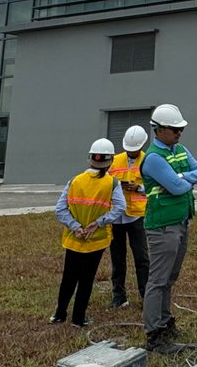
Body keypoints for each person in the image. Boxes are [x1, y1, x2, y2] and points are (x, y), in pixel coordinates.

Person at [140, 103, 197, 356]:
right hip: (163, 226)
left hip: (180, 221)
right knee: (158, 280)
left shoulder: (179, 149)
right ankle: (154, 335)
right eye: (175, 130)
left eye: (181, 129)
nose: (179, 134)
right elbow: (179, 189)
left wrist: (180, 179)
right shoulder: (154, 158)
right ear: (158, 130)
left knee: (170, 278)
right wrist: (183, 181)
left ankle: (166, 323)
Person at [51, 138, 122, 327]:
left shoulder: (75, 181)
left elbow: (60, 209)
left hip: (74, 239)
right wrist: (98, 223)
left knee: (68, 277)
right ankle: (78, 318)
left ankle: (59, 314)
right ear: (111, 161)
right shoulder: (112, 183)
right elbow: (120, 208)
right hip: (96, 241)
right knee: (86, 280)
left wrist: (75, 226)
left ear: (90, 159)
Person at [106, 126, 151, 311]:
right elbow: (104, 182)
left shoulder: (149, 160)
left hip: (137, 216)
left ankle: (146, 295)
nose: (130, 152)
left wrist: (139, 188)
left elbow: (156, 186)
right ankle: (119, 296)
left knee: (141, 257)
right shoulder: (115, 160)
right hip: (117, 216)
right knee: (117, 259)